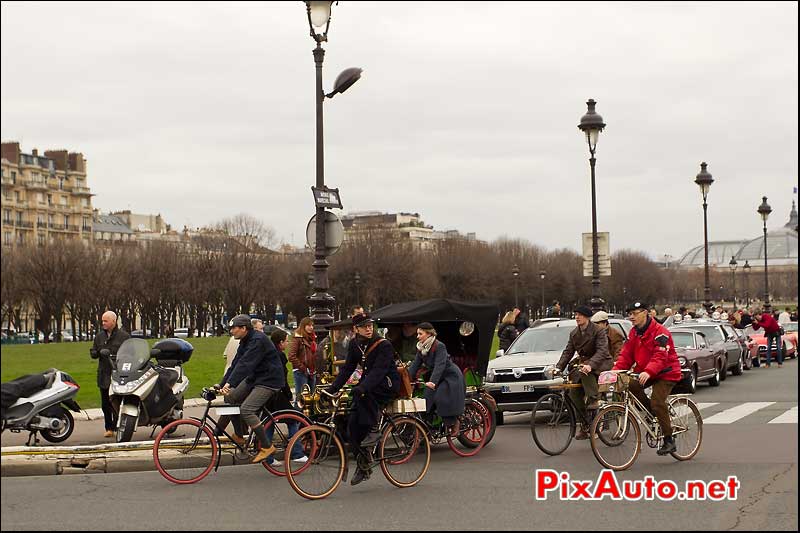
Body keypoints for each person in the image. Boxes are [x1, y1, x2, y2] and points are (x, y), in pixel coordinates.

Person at [328, 313, 400, 486]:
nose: (369, 329)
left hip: (386, 384)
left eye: (370, 325)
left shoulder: (384, 345)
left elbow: (379, 371)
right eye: (364, 326)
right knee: (352, 425)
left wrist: (362, 387)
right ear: (356, 329)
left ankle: (374, 428)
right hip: (369, 384)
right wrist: (332, 389)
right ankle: (364, 464)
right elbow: (347, 369)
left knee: (363, 394)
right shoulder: (355, 345)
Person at [612, 301, 683, 455]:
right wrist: (615, 371)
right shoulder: (634, 333)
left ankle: (669, 440)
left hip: (666, 372)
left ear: (646, 313)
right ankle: (651, 414)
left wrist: (649, 371)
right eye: (630, 314)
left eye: (635, 313)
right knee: (630, 385)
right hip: (646, 371)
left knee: (657, 402)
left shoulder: (660, 332)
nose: (631, 317)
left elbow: (660, 355)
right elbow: (626, 355)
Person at [214, 314, 285, 464]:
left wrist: (230, 383)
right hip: (256, 378)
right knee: (230, 398)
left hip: (269, 380)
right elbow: (235, 364)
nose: (231, 331)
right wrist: (222, 384)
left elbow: (245, 364)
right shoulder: (245, 340)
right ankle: (239, 435)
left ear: (243, 328)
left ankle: (267, 446)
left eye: (233, 328)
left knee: (247, 409)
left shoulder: (257, 340)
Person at [554, 305, 612, 440]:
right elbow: (568, 351)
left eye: (580, 315)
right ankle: (585, 423)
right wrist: (558, 367)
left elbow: (602, 351)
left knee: (587, 381)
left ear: (587, 317)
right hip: (584, 366)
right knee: (574, 394)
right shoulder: (574, 333)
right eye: (575, 315)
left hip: (600, 364)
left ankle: (594, 407)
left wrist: (591, 365)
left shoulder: (598, 331)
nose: (577, 317)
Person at [407, 322, 466, 437]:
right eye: (417, 334)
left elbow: (440, 365)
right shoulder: (421, 348)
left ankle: (454, 422)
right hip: (437, 378)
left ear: (429, 334)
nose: (417, 336)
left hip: (450, 376)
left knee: (440, 397)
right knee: (425, 399)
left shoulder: (439, 346)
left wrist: (433, 382)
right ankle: (428, 427)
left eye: (420, 333)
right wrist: (405, 378)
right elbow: (415, 365)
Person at [264, 328, 307, 467]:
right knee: (293, 420)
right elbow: (282, 377)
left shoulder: (268, 353)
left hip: (268, 393)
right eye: (286, 341)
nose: (287, 343)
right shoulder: (279, 356)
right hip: (278, 394)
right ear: (280, 342)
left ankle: (268, 456)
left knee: (268, 424)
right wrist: (288, 394)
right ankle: (297, 453)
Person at [89, 311, 131, 438]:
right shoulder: (99, 337)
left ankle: (118, 425)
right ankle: (109, 428)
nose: (103, 323)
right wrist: (98, 352)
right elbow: (93, 352)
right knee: (105, 403)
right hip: (104, 374)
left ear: (114, 321)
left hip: (119, 374)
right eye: (102, 321)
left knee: (117, 402)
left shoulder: (124, 337)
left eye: (106, 321)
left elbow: (130, 353)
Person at [288, 317, 317, 407]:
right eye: (308, 325)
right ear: (303, 326)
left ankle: (308, 419)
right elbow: (291, 356)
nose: (311, 327)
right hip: (301, 372)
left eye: (312, 325)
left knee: (312, 397)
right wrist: (302, 367)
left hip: (312, 371)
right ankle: (297, 419)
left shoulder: (312, 338)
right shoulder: (297, 338)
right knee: (301, 399)